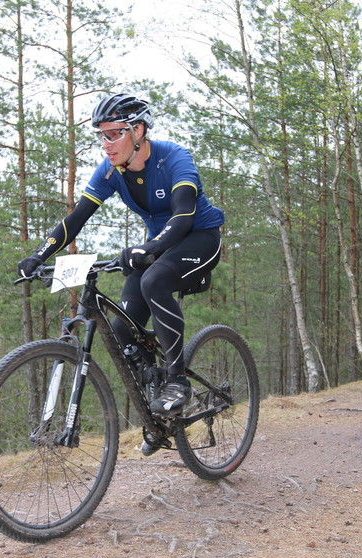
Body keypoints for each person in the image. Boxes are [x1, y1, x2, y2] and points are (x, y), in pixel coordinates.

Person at [17, 93, 224, 416]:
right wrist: (38, 255)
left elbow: (183, 214)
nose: (106, 143)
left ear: (138, 131)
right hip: (159, 245)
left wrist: (150, 247)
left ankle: (177, 380)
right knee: (122, 327)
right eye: (102, 135)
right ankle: (155, 396)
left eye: (114, 134)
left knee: (154, 281)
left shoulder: (173, 158)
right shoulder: (110, 171)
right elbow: (76, 219)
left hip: (199, 238)